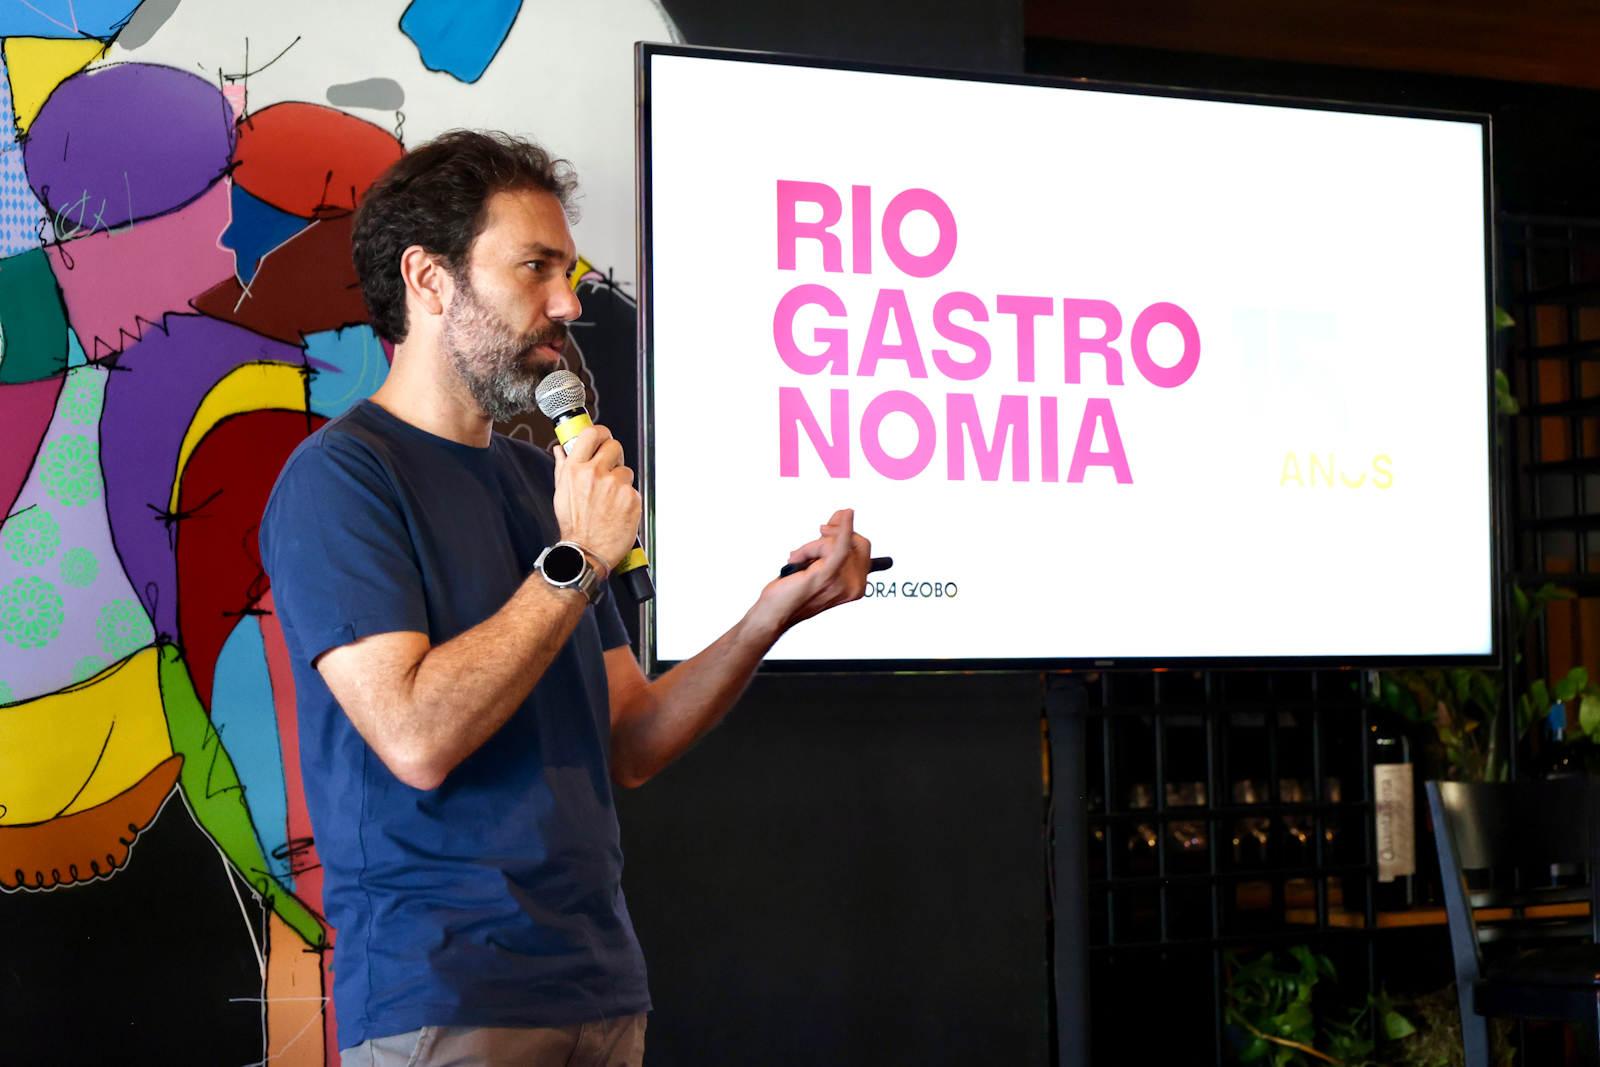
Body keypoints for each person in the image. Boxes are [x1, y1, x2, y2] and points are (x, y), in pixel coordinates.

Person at [259, 130, 871, 1067]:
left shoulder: (536, 481)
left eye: (570, 272)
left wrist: (772, 613)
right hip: (447, 993)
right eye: (535, 267)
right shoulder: (341, 479)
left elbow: (632, 737)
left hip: (599, 986)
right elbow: (415, 736)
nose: (568, 302)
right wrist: (579, 556)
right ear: (429, 279)